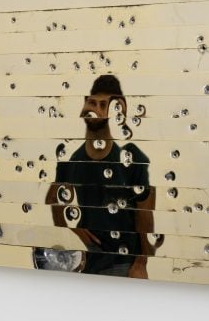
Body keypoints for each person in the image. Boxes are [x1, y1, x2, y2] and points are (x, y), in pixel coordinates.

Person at [33, 75, 160, 278]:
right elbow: (52, 199)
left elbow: (144, 214)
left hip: (123, 264)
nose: (96, 109)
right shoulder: (71, 160)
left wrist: (140, 262)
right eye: (92, 102)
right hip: (86, 265)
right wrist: (74, 230)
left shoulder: (131, 157)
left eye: (103, 105)